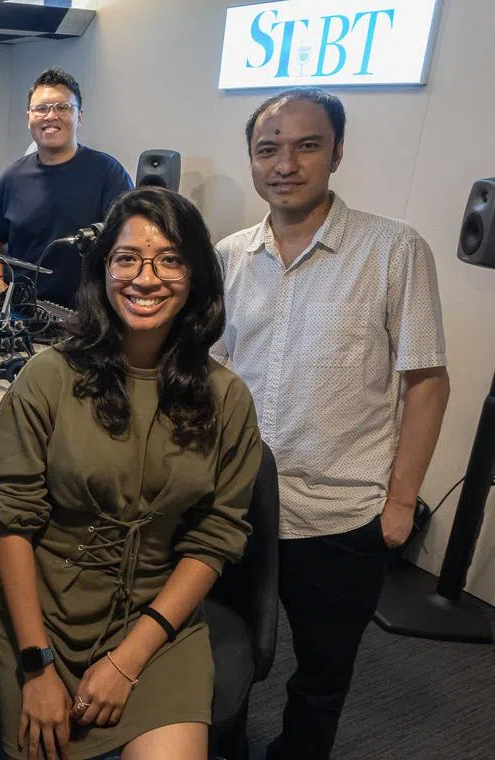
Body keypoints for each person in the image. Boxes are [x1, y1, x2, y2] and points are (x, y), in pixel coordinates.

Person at [212, 87, 450, 760]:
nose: (285, 164)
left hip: (340, 515)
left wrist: (400, 501)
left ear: (337, 153)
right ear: (252, 160)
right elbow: (212, 373)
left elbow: (427, 382)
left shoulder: (394, 250)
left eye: (307, 146)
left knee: (322, 674)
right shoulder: (229, 255)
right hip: (238, 506)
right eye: (268, 149)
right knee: (225, 651)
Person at [0, 187, 262, 760]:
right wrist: (36, 664)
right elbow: (13, 523)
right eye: (128, 258)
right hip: (44, 619)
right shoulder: (46, 378)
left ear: (195, 276)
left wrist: (130, 658)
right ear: (103, 269)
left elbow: (215, 539)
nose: (146, 279)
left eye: (170, 260)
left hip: (156, 621)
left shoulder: (227, 399)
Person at [0, 68, 134, 309]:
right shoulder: (11, 178)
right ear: (29, 117)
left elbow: (129, 243)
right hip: (22, 311)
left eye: (63, 107)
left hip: (85, 313)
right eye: (41, 109)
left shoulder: (109, 173)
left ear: (79, 117)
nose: (50, 116)